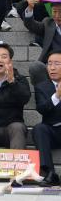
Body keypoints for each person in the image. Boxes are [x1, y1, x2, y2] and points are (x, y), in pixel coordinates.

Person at [19, 0, 61, 86]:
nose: (57, 16)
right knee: (36, 67)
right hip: (50, 64)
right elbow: (31, 25)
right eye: (54, 11)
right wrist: (30, 7)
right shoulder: (48, 23)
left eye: (60, 12)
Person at [33, 50, 61, 186]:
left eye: (57, 64)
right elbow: (41, 108)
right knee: (39, 128)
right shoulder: (41, 87)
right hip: (52, 131)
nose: (52, 67)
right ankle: (50, 172)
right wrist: (57, 96)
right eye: (49, 64)